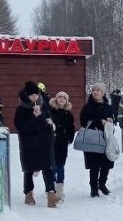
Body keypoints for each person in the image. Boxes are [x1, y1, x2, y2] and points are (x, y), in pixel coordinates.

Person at [13, 80, 59, 208]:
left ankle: (51, 194)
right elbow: (20, 126)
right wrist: (33, 116)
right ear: (27, 95)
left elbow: (48, 118)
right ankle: (28, 192)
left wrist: (48, 121)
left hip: (44, 142)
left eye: (36, 95)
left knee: (47, 167)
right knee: (28, 169)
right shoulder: (21, 108)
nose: (34, 97)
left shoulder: (43, 105)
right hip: (29, 144)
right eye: (32, 95)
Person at [79, 82, 116, 197]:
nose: (95, 92)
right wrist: (99, 121)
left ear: (103, 93)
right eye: (93, 90)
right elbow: (83, 121)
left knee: (106, 162)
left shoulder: (108, 107)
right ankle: (93, 187)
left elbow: (112, 120)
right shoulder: (88, 106)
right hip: (92, 138)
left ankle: (102, 184)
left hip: (105, 138)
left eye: (97, 90)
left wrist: (110, 121)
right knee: (94, 164)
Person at [49, 91, 76, 203]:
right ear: (56, 99)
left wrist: (70, 138)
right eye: (59, 97)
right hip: (52, 143)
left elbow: (71, 128)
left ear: (66, 101)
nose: (61, 99)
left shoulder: (68, 114)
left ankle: (60, 190)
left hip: (63, 144)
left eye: (64, 98)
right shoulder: (50, 112)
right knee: (52, 167)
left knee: (60, 166)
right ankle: (51, 188)